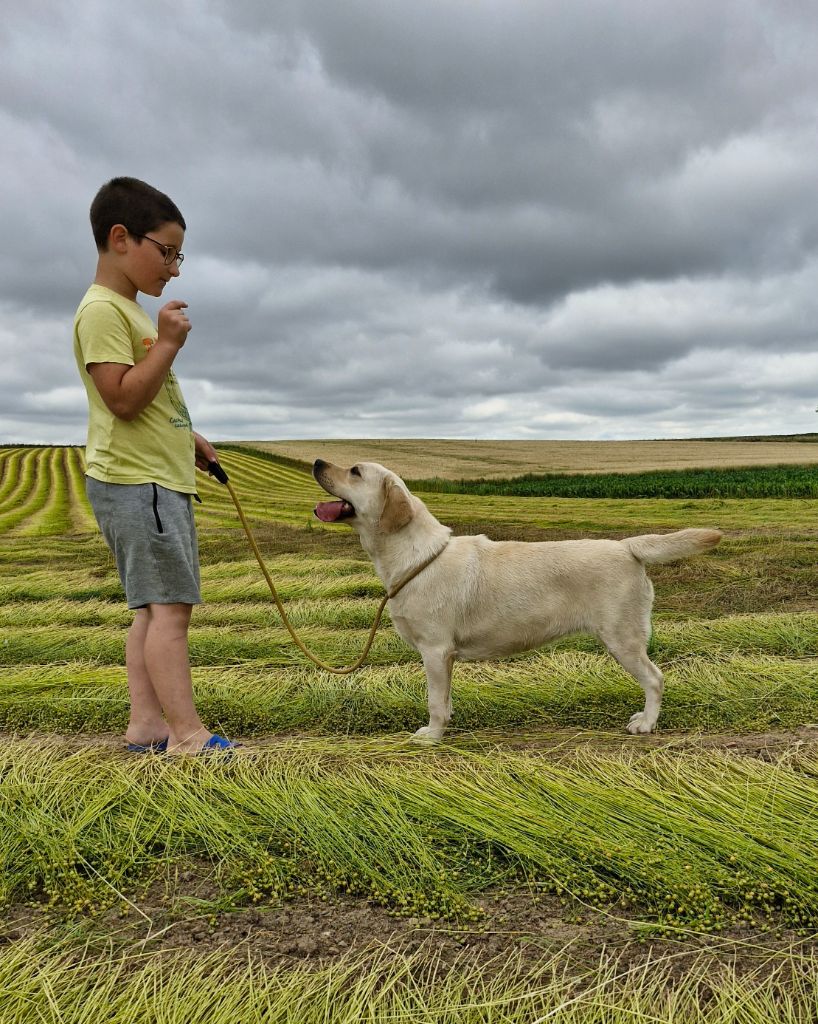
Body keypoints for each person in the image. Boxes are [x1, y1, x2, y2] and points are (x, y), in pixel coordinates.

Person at [73, 176, 237, 755]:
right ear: (122, 238)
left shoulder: (125, 310)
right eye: (165, 252)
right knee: (171, 612)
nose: (173, 269)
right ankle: (188, 736)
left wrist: (184, 433)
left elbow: (145, 402)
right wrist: (167, 345)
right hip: (139, 484)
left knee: (150, 610)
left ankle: (147, 726)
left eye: (178, 255)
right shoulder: (101, 312)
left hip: (149, 476)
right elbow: (119, 397)